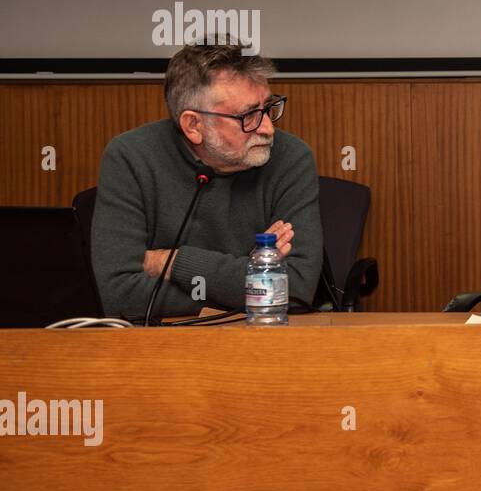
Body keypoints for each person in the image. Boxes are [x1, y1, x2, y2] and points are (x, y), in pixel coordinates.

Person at [92, 42, 323, 320]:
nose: (267, 128)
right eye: (248, 115)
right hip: (160, 348)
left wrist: (171, 262)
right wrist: (237, 287)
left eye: (268, 107)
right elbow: (120, 293)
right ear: (194, 126)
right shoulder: (131, 157)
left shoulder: (290, 157)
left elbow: (297, 288)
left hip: (265, 344)